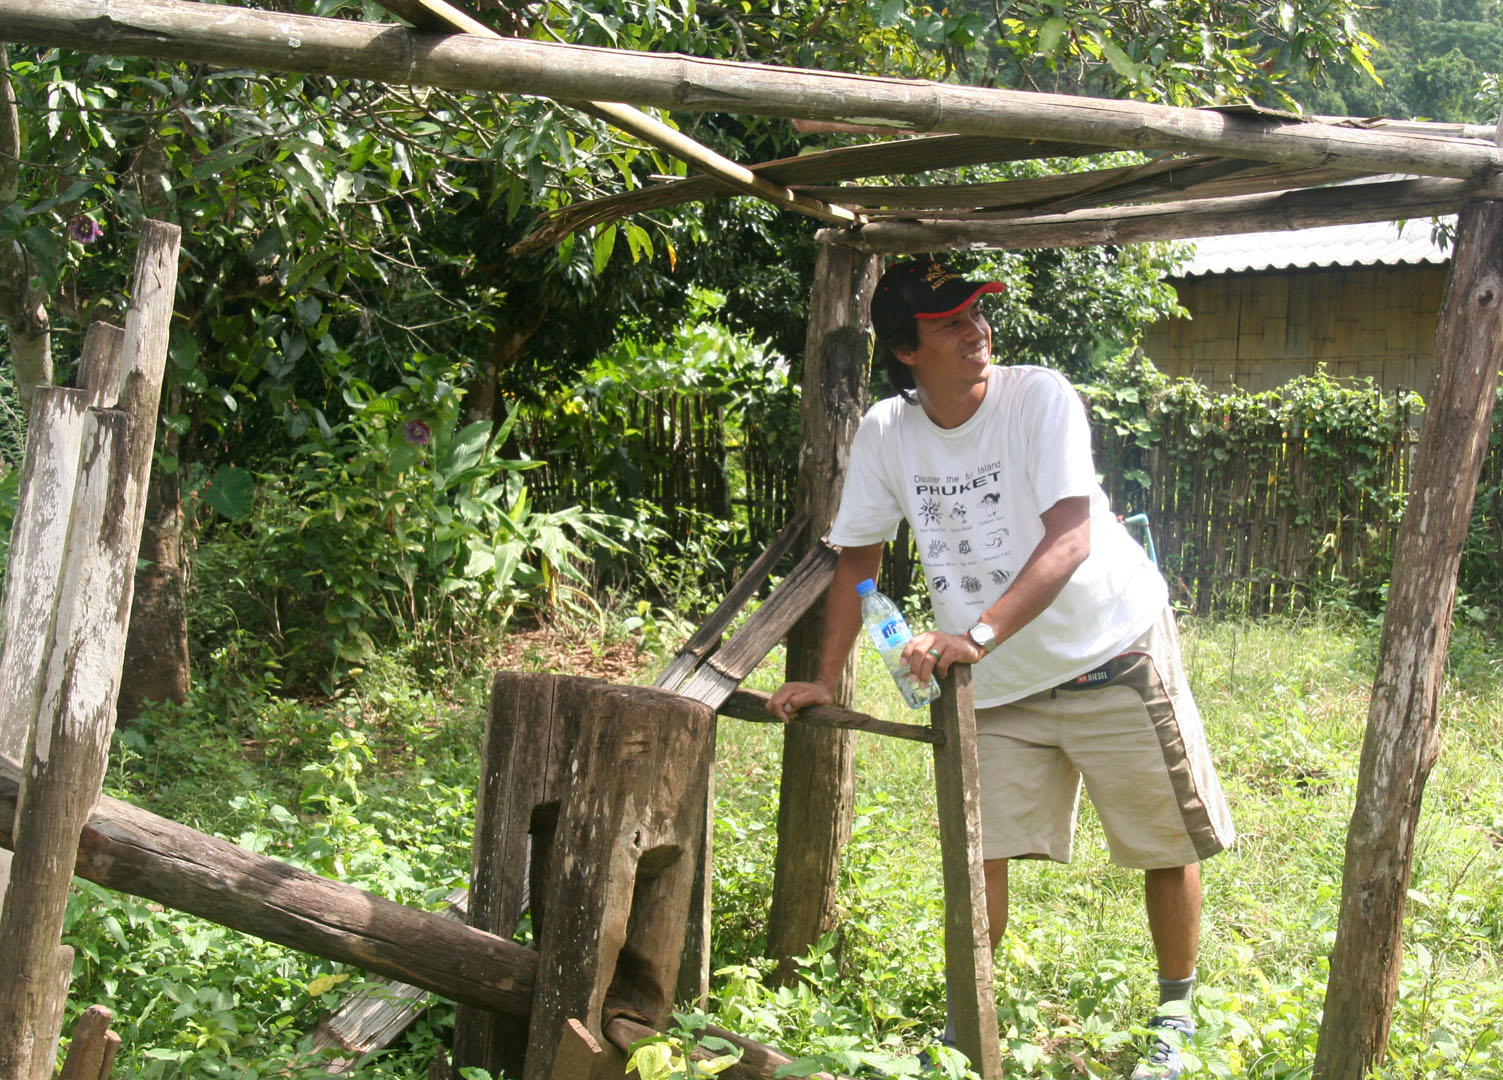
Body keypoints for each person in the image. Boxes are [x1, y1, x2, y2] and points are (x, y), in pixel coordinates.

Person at [766, 258, 1236, 1079]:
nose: (974, 331)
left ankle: (1175, 1015)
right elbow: (856, 562)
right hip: (997, 681)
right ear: (906, 350)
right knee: (977, 852)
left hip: (1109, 651)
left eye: (977, 313)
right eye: (949, 321)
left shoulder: (1038, 397)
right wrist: (825, 674)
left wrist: (974, 636)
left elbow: (1071, 538)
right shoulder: (886, 431)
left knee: (1162, 841)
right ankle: (966, 1025)